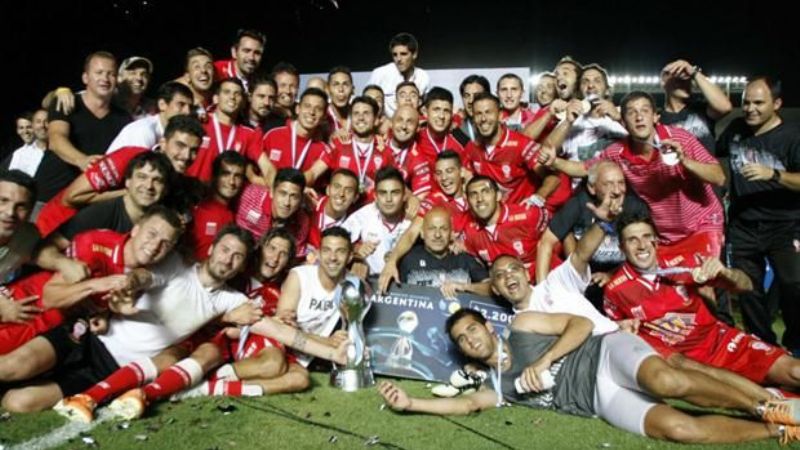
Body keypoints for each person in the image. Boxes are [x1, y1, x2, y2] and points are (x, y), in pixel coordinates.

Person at [379, 308, 800, 445]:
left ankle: (769, 404)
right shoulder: (498, 387)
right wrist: (411, 403)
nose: (470, 338)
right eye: (461, 339)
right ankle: (772, 428)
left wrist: (544, 362)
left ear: (488, 327)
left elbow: (580, 324)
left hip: (606, 354)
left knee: (667, 382)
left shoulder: (523, 324)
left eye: (472, 329)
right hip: (599, 401)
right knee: (679, 428)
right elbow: (466, 404)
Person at [0, 207, 185, 412]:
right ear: (135, 230)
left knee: (17, 398)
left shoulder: (152, 273)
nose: (155, 245)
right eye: (152, 234)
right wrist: (94, 285)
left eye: (165, 243)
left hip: (69, 331)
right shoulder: (97, 243)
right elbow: (50, 297)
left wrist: (102, 314)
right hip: (30, 308)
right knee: (10, 367)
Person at [604, 212, 800, 391]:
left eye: (647, 237)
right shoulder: (615, 290)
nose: (642, 245)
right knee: (764, 394)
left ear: (656, 241)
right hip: (686, 363)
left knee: (794, 372)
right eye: (632, 240)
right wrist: (620, 328)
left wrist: (725, 272)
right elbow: (614, 336)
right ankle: (772, 399)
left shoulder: (683, 262)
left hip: (723, 342)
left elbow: (746, 285)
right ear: (622, 248)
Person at [539, 91, 725, 261]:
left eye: (645, 111)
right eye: (631, 113)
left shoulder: (680, 139)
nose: (639, 117)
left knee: (704, 286)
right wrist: (555, 162)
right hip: (665, 235)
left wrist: (685, 161)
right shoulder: (617, 152)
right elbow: (584, 168)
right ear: (623, 122)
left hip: (703, 225)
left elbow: (719, 177)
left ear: (655, 117)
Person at [717, 76, 800, 355]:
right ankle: (763, 347)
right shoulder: (736, 129)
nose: (750, 109)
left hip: (785, 225)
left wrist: (773, 174)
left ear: (777, 104)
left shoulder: (793, 135)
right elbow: (708, 148)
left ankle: (795, 345)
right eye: (746, 102)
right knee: (747, 290)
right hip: (743, 225)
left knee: (793, 284)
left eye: (758, 103)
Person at [34, 115, 204, 238]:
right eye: (180, 145)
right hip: (54, 230)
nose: (186, 155)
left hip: (97, 241)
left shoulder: (175, 181)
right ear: (163, 143)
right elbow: (71, 197)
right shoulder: (129, 158)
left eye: (194, 150)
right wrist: (131, 193)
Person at [535, 161, 648, 307]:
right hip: (583, 277)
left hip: (624, 275)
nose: (617, 190)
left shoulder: (635, 207)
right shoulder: (577, 204)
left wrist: (612, 275)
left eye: (621, 183)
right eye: (608, 184)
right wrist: (541, 292)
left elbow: (647, 252)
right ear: (592, 188)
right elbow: (545, 243)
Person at [379, 150, 469, 293]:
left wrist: (468, 246)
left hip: (471, 268)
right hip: (443, 269)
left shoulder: (475, 198)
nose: (444, 178)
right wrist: (392, 262)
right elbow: (411, 234)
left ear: (462, 172)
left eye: (449, 171)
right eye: (439, 173)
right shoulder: (433, 201)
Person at [44, 52, 131, 197]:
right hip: (50, 195)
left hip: (88, 199)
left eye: (111, 74)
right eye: (99, 72)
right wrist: (82, 160)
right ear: (85, 78)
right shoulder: (65, 102)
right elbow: (56, 138)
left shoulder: (124, 119)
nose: (105, 78)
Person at [465, 92, 568, 211]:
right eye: (478, 114)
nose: (483, 119)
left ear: (500, 116)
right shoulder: (472, 148)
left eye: (488, 112)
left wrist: (537, 198)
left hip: (519, 215)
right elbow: (466, 180)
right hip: (491, 215)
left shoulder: (520, 144)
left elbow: (553, 178)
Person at [51, 152, 173, 248]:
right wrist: (64, 264)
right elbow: (49, 247)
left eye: (157, 180)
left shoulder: (162, 221)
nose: (149, 186)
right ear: (128, 181)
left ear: (166, 189)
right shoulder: (100, 214)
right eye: (142, 177)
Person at [275, 226, 353, 366]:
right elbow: (281, 328)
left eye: (340, 252)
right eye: (326, 250)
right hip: (286, 351)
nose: (333, 258)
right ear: (317, 254)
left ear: (350, 256)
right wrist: (326, 341)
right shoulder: (299, 277)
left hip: (320, 358)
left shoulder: (353, 286)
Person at [544, 64, 628, 183]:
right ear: (580, 91)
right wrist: (568, 121)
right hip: (582, 193)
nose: (591, 85)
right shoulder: (571, 119)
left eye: (597, 81)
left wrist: (619, 119)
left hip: (618, 191)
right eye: (585, 81)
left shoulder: (623, 115)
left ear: (607, 90)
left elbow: (647, 145)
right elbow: (546, 151)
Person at [461, 176, 549, 280]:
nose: (480, 199)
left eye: (485, 192)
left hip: (549, 283)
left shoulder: (528, 214)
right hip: (509, 292)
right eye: (473, 195)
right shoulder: (470, 232)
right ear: (467, 201)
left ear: (498, 196)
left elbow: (559, 234)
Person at [313, 96, 394, 200]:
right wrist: (299, 186)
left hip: (371, 211)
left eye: (366, 113)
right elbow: (314, 172)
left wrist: (412, 199)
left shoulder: (385, 151)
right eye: (356, 113)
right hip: (341, 209)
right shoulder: (339, 144)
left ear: (376, 120)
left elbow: (399, 184)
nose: (360, 117)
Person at [397, 207, 490, 298]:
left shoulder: (464, 259)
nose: (438, 235)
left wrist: (464, 287)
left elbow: (491, 288)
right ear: (422, 233)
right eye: (432, 228)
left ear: (451, 234)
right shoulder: (408, 260)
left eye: (444, 229)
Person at [252, 87, 331, 187]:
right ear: (298, 109)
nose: (312, 112)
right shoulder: (271, 133)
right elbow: (250, 168)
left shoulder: (323, 150)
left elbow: (313, 176)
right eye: (307, 106)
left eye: (318, 109)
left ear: (324, 116)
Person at [186, 78, 261, 182]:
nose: (232, 97)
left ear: (243, 102)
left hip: (224, 194)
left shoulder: (248, 133)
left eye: (237, 94)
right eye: (227, 92)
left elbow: (264, 167)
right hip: (191, 191)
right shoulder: (199, 121)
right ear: (216, 98)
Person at [342, 167, 411, 276]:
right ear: (375, 196)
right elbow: (336, 240)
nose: (389, 199)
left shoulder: (414, 219)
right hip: (371, 283)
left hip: (406, 285)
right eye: (383, 193)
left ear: (404, 196)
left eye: (395, 193)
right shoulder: (364, 215)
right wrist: (355, 252)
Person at [660, 59, 733, 154]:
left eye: (688, 80)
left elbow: (725, 107)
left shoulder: (701, 110)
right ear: (664, 83)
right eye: (679, 80)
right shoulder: (657, 119)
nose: (686, 83)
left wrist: (694, 72)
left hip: (708, 168)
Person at [235, 167, 310, 254]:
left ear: (301, 200)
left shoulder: (302, 222)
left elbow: (294, 257)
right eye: (283, 194)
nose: (287, 203)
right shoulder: (249, 196)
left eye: (294, 197)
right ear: (271, 192)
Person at [406, 87, 465, 198]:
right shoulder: (413, 139)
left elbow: (466, 177)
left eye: (446, 111)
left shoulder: (460, 143)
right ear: (425, 112)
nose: (441, 116)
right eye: (436, 109)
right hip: (422, 204)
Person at [105, 81, 194, 154]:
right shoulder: (144, 131)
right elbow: (140, 172)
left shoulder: (168, 132)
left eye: (190, 107)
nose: (188, 112)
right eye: (181, 105)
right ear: (162, 105)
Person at [189, 151, 246, 260]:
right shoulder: (196, 208)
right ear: (214, 176)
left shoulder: (234, 214)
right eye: (225, 174)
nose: (232, 182)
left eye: (237, 176)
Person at [368, 32, 430, 118]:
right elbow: (366, 104)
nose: (399, 59)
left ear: (414, 54)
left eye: (403, 54)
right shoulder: (380, 74)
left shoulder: (423, 77)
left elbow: (424, 107)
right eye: (395, 55)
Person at [0, 170, 39, 283]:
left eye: (21, 206)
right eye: (3, 201)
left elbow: (45, 254)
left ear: (30, 211)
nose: (10, 212)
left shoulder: (29, 236)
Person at [308, 168, 359, 254]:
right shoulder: (309, 207)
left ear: (355, 198)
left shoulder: (356, 223)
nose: (341, 194)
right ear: (328, 190)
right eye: (337, 187)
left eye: (348, 190)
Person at [3, 110, 48, 178]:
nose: (25, 131)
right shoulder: (16, 154)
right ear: (17, 131)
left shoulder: (45, 150)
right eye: (21, 128)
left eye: (29, 127)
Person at [452, 75, 490, 146]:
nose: (471, 101)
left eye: (476, 95)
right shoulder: (456, 133)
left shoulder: (501, 129)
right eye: (466, 96)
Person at [263, 62, 301, 132]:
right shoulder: (264, 114)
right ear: (273, 87)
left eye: (293, 86)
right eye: (283, 85)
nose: (288, 91)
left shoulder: (303, 114)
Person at [326, 66, 355, 137]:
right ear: (327, 89)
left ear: (353, 90)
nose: (341, 89)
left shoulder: (359, 115)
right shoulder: (322, 116)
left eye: (345, 84)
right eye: (336, 84)